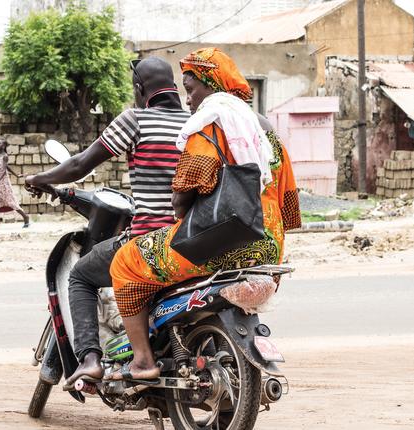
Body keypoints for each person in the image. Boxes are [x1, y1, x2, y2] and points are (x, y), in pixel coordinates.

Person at [105, 47, 301, 381]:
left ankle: (141, 360)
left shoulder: (210, 124)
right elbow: (289, 208)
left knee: (124, 263)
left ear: (211, 84)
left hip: (215, 247)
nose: (188, 100)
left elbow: (181, 198)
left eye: (191, 89)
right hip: (269, 249)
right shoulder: (267, 134)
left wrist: (183, 208)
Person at [25, 57, 191, 386]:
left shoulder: (136, 119)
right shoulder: (194, 124)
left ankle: (90, 359)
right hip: (189, 238)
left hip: (148, 239)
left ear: (140, 89)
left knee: (81, 275)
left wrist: (38, 177)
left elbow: (79, 165)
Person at [0, 138, 30, 230]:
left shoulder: (5, 156)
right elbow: (7, 168)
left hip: (4, 183)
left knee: (11, 202)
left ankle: (26, 218)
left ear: (3, 146)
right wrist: (17, 175)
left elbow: (4, 171)